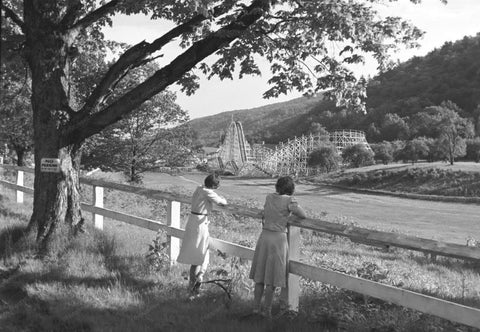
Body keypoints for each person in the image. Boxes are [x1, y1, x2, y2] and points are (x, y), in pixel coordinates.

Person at [249, 176, 306, 318]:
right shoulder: (289, 200)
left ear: (277, 186)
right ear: (291, 188)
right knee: (272, 279)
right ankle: (266, 311)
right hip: (278, 239)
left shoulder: (269, 197)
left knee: (260, 277)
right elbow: (303, 215)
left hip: (264, 237)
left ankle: (255, 309)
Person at [177, 173, 227, 298]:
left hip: (195, 221)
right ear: (214, 185)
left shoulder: (200, 189)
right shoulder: (207, 192)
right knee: (198, 255)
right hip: (199, 224)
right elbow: (221, 202)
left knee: (199, 254)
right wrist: (223, 199)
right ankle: (194, 288)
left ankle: (194, 285)